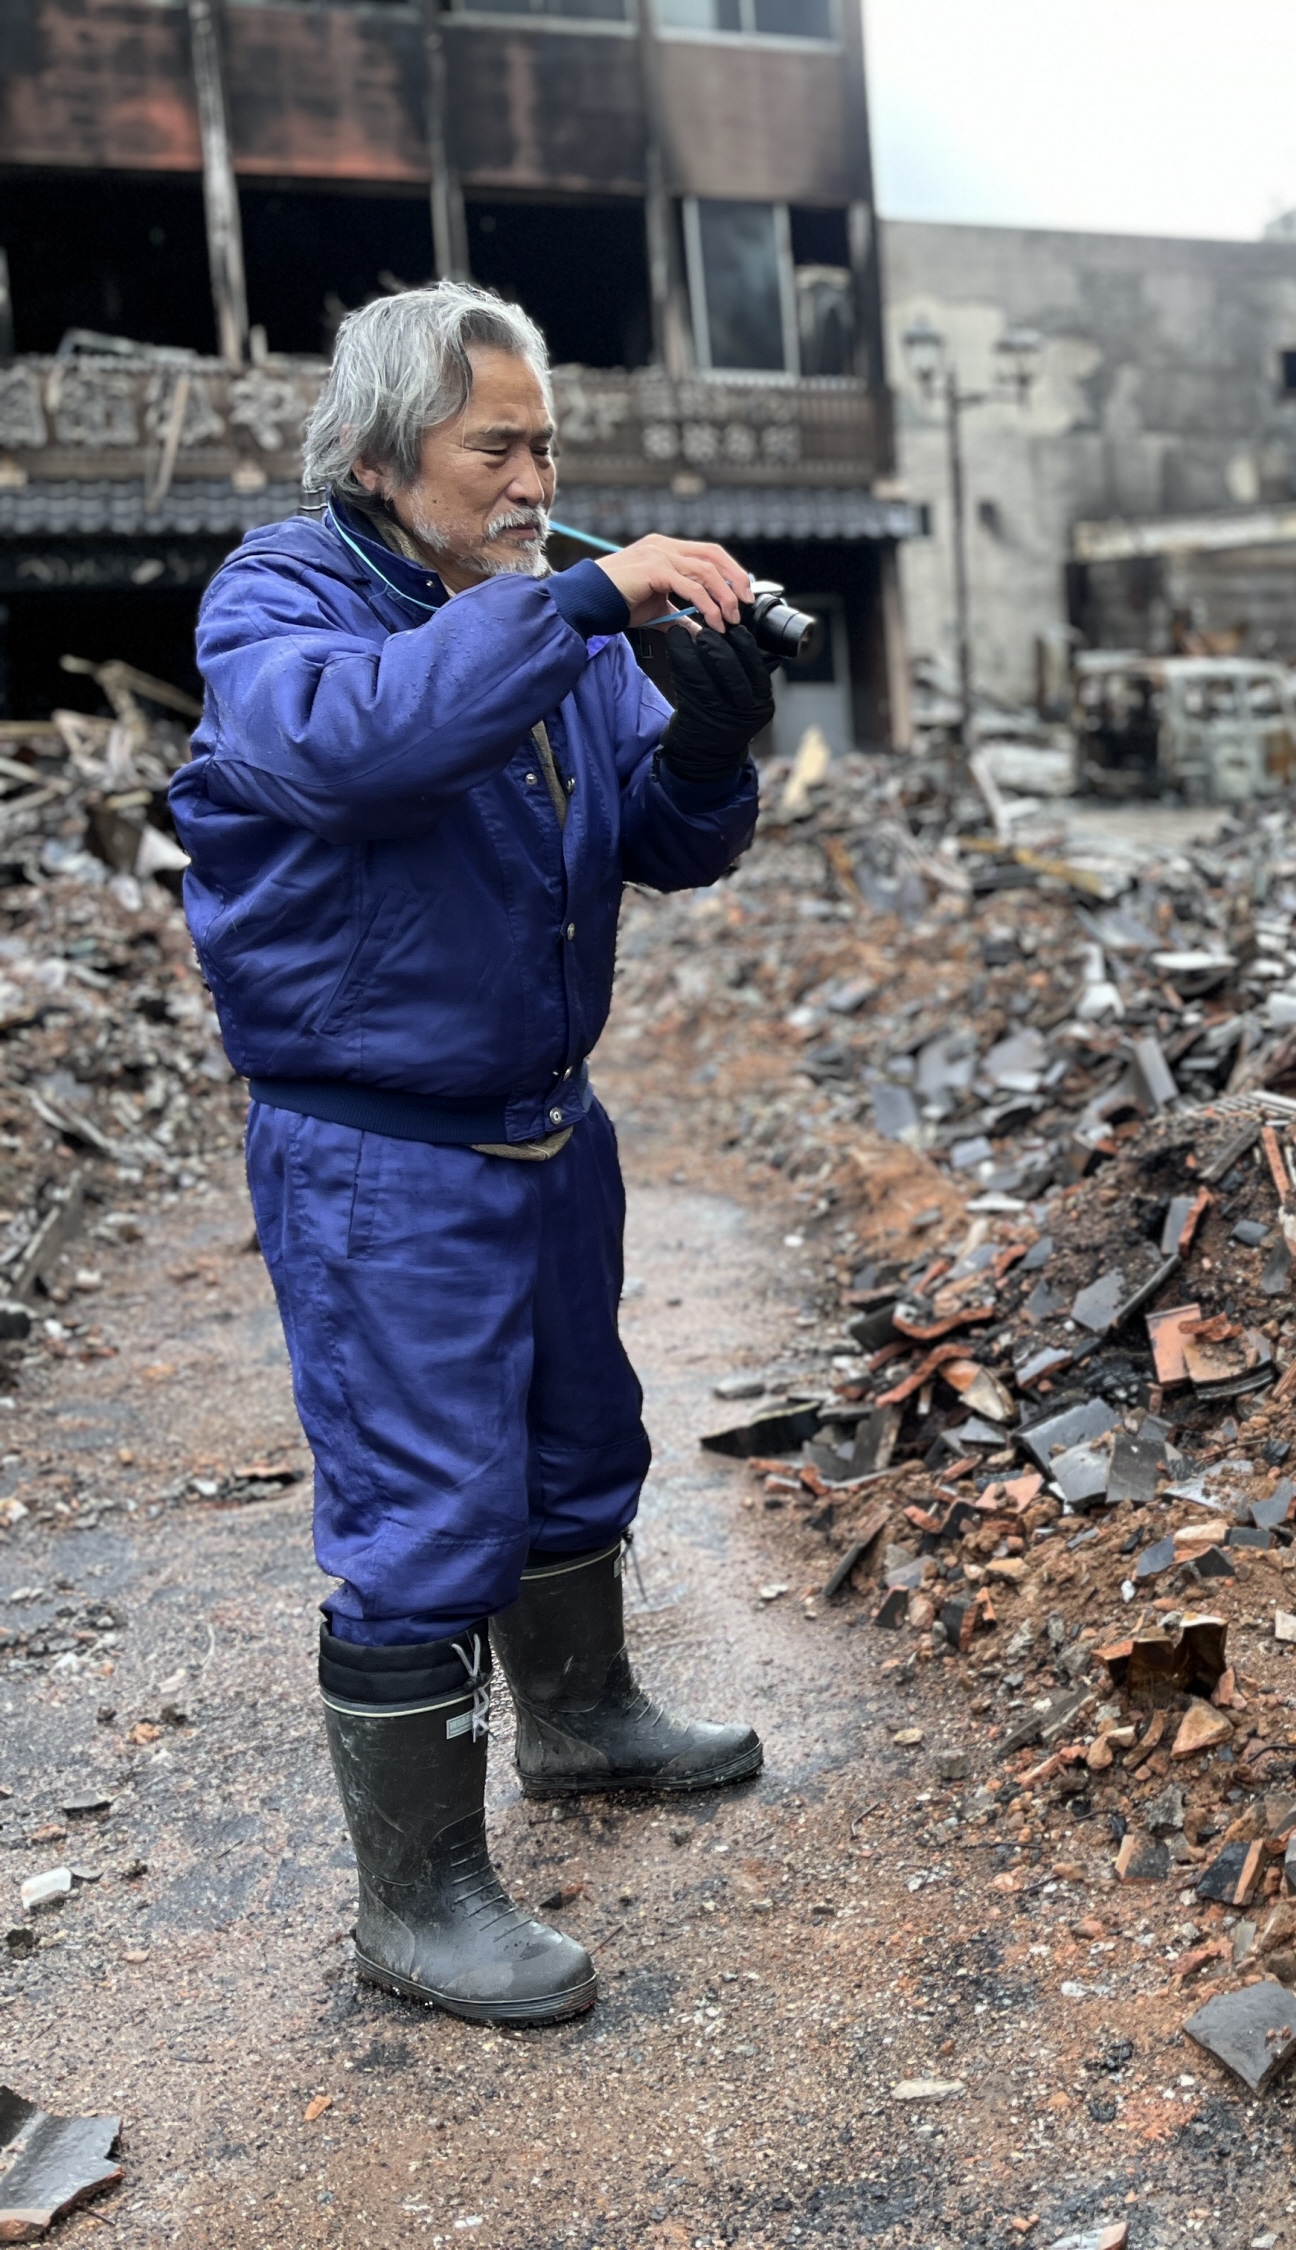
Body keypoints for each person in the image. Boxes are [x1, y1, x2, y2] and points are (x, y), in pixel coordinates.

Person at [169, 282, 774, 2027]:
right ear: (376, 457)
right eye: (494, 445)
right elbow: (358, 745)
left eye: (548, 446)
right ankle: (415, 1901)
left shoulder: (536, 622)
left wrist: (714, 732)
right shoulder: (282, 602)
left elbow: (660, 834)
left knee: (580, 1442)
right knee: (429, 1510)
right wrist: (587, 591)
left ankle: (580, 1721)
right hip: (380, 1152)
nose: (533, 478)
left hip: (541, 1123)